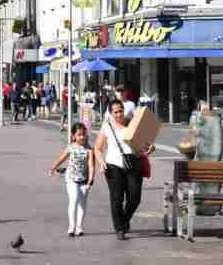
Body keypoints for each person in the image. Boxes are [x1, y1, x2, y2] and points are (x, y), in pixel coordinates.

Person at [94, 100, 154, 240]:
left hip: (134, 162)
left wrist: (150, 148)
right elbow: (97, 148)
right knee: (117, 198)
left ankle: (124, 220)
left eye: (120, 110)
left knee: (135, 197)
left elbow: (144, 145)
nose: (119, 114)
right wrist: (101, 162)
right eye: (115, 112)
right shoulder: (106, 126)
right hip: (113, 165)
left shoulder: (133, 123)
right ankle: (119, 228)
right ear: (110, 113)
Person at [47, 122, 95, 237]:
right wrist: (53, 168)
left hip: (84, 180)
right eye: (79, 135)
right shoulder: (71, 147)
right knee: (74, 199)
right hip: (71, 178)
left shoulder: (89, 150)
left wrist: (91, 179)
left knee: (82, 204)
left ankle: (79, 227)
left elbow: (91, 165)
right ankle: (71, 226)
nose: (82, 137)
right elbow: (61, 158)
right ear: (74, 136)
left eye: (84, 134)